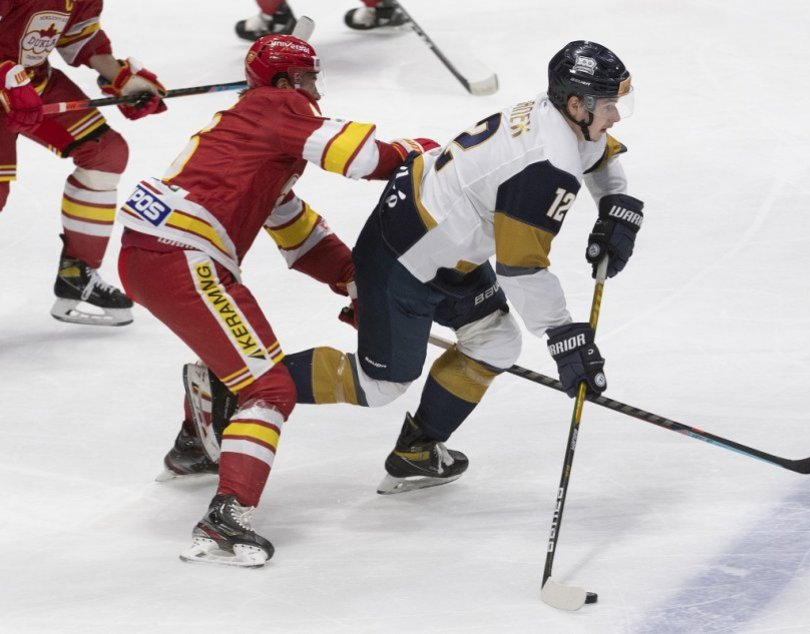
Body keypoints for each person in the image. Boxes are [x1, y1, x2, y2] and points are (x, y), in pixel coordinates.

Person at [117, 33, 436, 567]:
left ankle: (196, 443)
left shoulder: (251, 137)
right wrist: (417, 152)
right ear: (286, 81)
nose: (317, 91)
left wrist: (354, 280)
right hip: (182, 258)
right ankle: (226, 519)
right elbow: (361, 157)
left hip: (151, 255)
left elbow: (295, 231)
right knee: (268, 387)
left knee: (239, 364)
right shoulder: (277, 104)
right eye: (309, 78)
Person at [274, 40, 644, 495]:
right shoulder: (547, 165)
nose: (616, 116)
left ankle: (416, 450)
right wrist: (564, 335)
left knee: (496, 340)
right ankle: (242, 386)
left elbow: (600, 153)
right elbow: (521, 269)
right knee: (380, 385)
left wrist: (614, 203)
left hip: (439, 241)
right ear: (575, 104)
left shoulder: (560, 120)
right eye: (608, 106)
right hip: (404, 258)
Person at [0, 0, 166, 326]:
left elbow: (77, 36)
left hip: (32, 85)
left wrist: (121, 78)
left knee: (105, 153)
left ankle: (77, 274)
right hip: (9, 86)